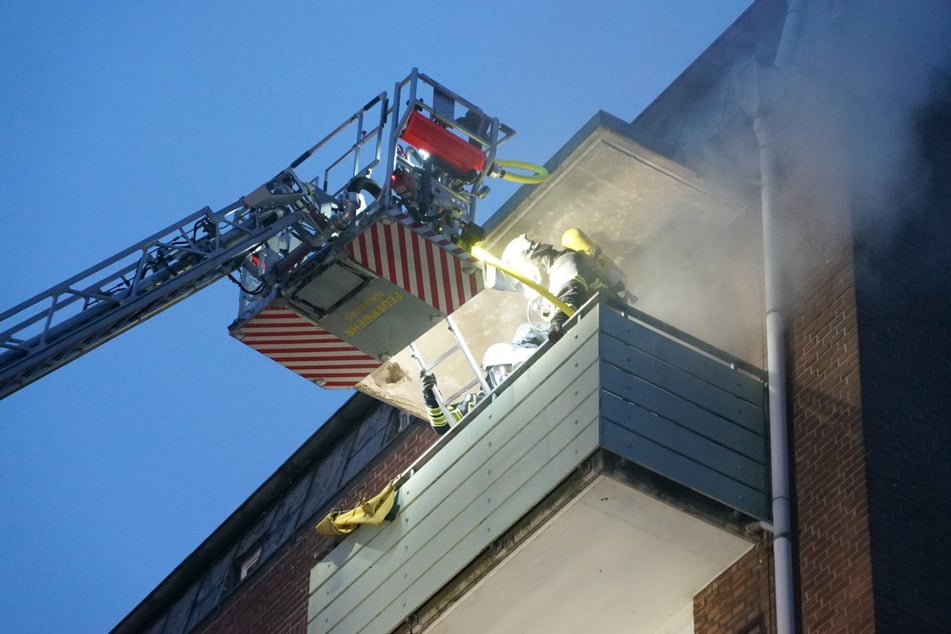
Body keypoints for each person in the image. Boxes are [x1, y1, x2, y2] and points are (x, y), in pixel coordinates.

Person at [420, 323, 545, 435]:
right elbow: (444, 426)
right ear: (490, 374)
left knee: (525, 330)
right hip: (512, 432)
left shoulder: (526, 363)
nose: (504, 374)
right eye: (498, 370)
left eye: (508, 368)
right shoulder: (479, 401)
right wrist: (432, 399)